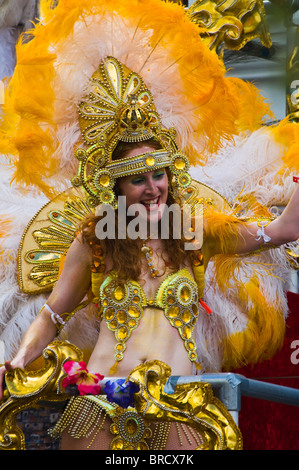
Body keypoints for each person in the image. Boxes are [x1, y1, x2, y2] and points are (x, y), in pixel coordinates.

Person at [0, 0, 299, 451]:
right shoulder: (94, 238)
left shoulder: (196, 229)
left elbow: (280, 231)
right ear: (116, 187)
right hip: (101, 401)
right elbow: (53, 313)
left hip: (179, 404)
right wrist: (19, 357)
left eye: (159, 175)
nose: (153, 187)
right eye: (138, 179)